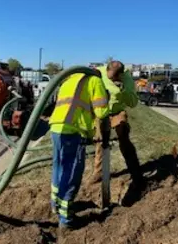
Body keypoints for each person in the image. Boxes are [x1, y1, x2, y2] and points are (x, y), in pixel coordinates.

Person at [48, 70, 110, 229]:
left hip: (56, 128)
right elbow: (101, 112)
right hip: (73, 130)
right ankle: (66, 219)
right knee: (72, 171)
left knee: (59, 166)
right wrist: (106, 98)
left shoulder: (70, 79)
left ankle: (55, 204)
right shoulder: (95, 81)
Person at [90, 61, 146, 205]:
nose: (111, 81)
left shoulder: (127, 79)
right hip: (101, 112)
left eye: (114, 79)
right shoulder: (98, 72)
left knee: (124, 138)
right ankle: (98, 174)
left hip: (117, 112)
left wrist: (123, 92)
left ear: (120, 76)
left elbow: (133, 103)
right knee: (100, 142)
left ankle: (136, 175)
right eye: (109, 78)